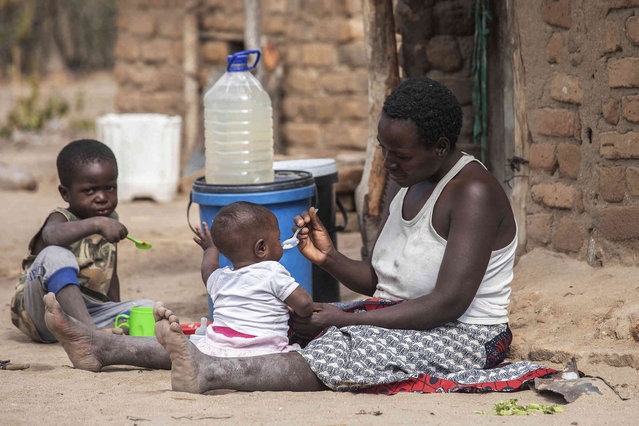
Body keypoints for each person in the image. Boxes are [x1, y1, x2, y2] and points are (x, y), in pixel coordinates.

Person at [42, 78, 550, 393]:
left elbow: (447, 304)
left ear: (441, 147)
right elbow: (382, 282)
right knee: (262, 323)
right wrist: (329, 260)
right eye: (383, 151)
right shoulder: (411, 184)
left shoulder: (474, 192)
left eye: (401, 156)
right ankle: (105, 348)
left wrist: (345, 321)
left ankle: (213, 374)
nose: (388, 166)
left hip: (464, 337)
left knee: (338, 349)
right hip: (404, 318)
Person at [10, 139, 154, 343]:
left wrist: (114, 309)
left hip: (83, 314)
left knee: (148, 308)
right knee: (56, 255)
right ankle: (91, 335)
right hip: (42, 313)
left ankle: (91, 331)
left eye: (110, 188)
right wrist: (96, 224)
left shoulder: (110, 221)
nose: (102, 197)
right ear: (65, 193)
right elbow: (50, 237)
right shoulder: (60, 218)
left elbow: (110, 273)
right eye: (89, 191)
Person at [192, 201, 313, 357]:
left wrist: (210, 248)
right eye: (277, 239)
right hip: (265, 352)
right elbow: (305, 304)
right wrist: (300, 311)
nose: (280, 243)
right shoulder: (271, 271)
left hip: (219, 350)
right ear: (261, 248)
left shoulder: (219, 278)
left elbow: (207, 269)